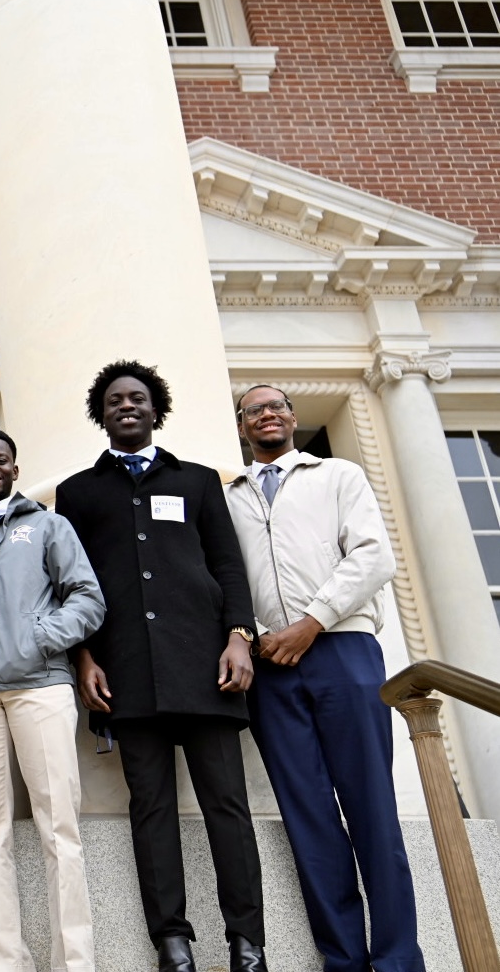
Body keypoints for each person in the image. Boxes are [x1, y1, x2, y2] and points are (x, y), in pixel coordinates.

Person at [55, 360, 265, 972]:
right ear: (103, 413)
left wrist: (239, 638)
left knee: (228, 806)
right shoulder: (77, 493)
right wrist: (83, 657)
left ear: (155, 409)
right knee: (150, 810)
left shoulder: (199, 481)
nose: (127, 404)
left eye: (138, 397)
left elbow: (229, 567)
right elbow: (73, 584)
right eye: (115, 399)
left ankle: (247, 943)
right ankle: (172, 943)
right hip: (126, 675)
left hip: (208, 668)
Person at [226, 386, 423, 972]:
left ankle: (396, 960)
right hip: (270, 666)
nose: (267, 414)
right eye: (254, 409)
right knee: (307, 818)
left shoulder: (338, 476)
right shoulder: (228, 497)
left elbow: (372, 557)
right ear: (242, 427)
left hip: (343, 650)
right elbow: (225, 576)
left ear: (292, 418)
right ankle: (342, 960)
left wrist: (310, 624)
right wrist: (260, 633)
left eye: (277, 406)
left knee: (372, 809)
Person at [0, 430, 105, 972]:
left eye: (1, 460)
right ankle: (8, 962)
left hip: (40, 687)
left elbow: (87, 596)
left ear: (14, 467)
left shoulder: (48, 525)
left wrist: (39, 638)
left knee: (60, 827)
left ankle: (74, 962)